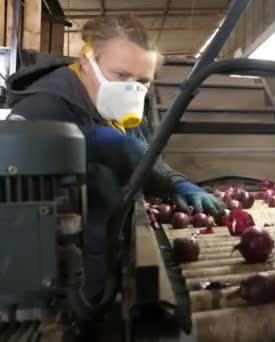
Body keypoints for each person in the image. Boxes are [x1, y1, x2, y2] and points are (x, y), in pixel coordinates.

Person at [6, 15, 224, 300]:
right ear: (87, 63)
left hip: (110, 249)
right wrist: (77, 148)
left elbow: (141, 156)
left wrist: (177, 183)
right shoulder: (43, 106)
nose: (132, 88)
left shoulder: (130, 105)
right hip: (60, 273)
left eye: (143, 80)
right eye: (120, 76)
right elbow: (16, 200)